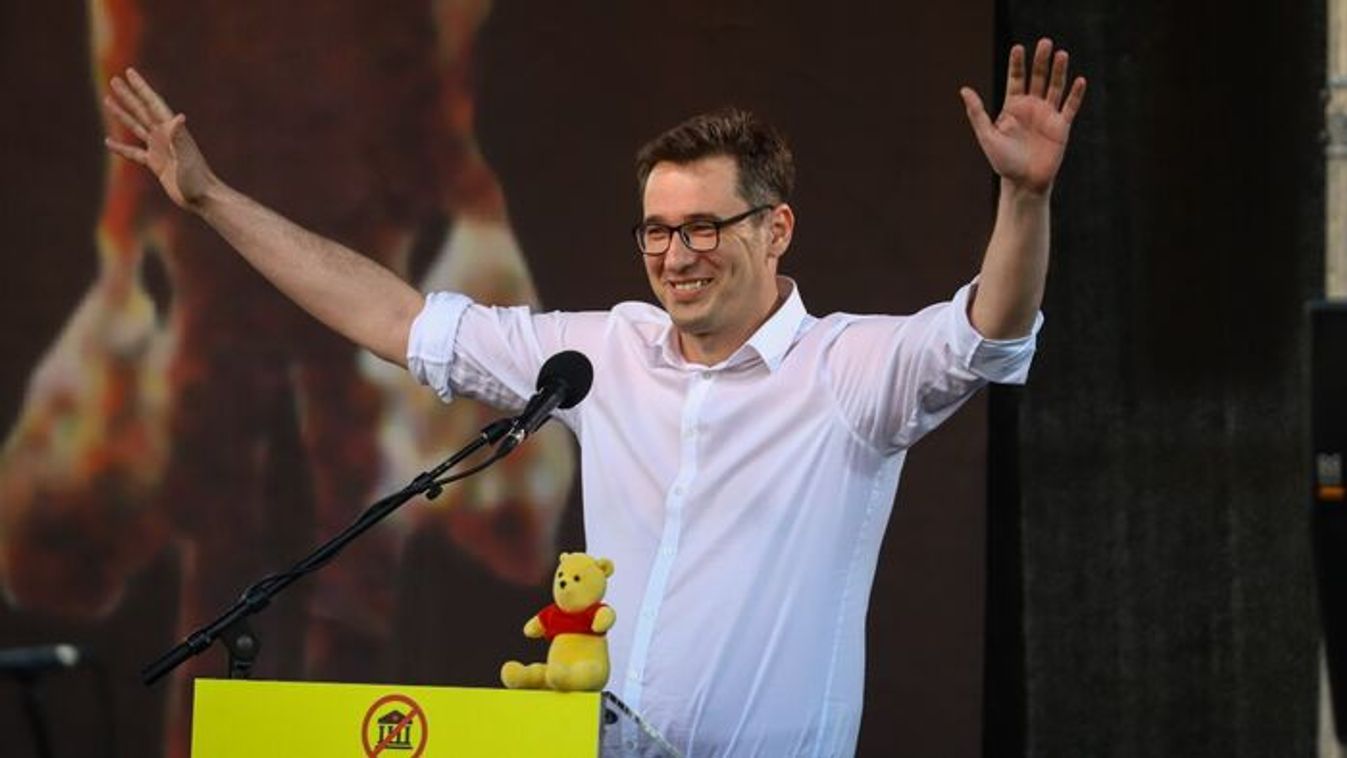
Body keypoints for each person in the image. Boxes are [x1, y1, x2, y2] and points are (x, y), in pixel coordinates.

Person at [103, 37, 1085, 756]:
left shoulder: (849, 371)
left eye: (704, 226)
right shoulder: (601, 352)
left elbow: (984, 333)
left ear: (776, 228)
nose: (676, 254)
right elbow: (397, 319)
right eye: (657, 230)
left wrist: (1025, 197)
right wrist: (212, 199)